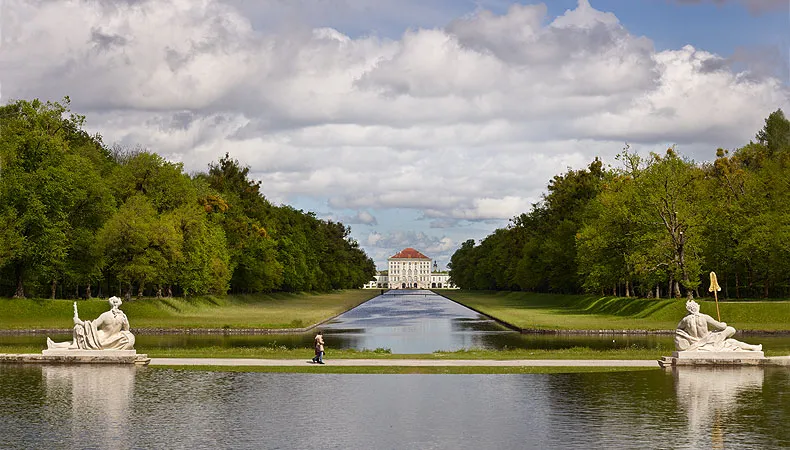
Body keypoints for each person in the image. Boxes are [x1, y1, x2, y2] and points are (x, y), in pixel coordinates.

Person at [47, 296, 136, 351]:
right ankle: (55, 345)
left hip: (99, 338)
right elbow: (127, 330)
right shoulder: (123, 316)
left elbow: (93, 325)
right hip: (107, 339)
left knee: (78, 342)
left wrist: (79, 322)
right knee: (78, 344)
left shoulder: (106, 315)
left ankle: (55, 345)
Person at [674, 300, 761, 352]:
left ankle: (753, 348)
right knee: (730, 332)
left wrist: (688, 337)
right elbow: (721, 327)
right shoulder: (704, 317)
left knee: (729, 342)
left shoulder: (685, 320)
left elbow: (678, 330)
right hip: (708, 340)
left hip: (696, 342)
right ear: (697, 308)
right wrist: (723, 323)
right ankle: (753, 347)